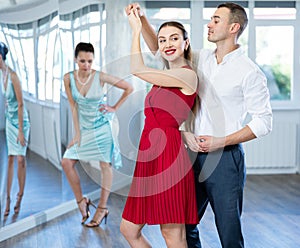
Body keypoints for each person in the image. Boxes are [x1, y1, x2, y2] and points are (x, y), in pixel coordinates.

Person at [125, 2, 273, 248]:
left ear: (234, 27)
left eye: (216, 20)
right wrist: (141, 21)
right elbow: (158, 48)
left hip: (224, 159)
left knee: (228, 231)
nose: (209, 24)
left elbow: (264, 122)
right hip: (188, 155)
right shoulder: (201, 57)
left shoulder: (249, 72)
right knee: (185, 226)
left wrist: (220, 141)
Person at [120, 8, 199, 248]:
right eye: (163, 40)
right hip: (149, 156)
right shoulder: (166, 74)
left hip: (169, 157)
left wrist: (134, 31)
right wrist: (142, 19)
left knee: (172, 235)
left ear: (186, 43)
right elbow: (155, 46)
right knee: (128, 228)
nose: (167, 44)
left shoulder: (187, 76)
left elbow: (137, 69)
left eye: (174, 38)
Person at [61, 42, 133, 227]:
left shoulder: (100, 76)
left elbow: (128, 87)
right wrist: (77, 134)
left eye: (90, 61)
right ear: (76, 59)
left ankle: (101, 208)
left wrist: (114, 107)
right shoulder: (68, 78)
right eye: (83, 61)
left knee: (105, 165)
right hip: (84, 129)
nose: (86, 65)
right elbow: (72, 106)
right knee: (67, 162)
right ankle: (81, 201)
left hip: (102, 127)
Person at [0, 42, 30, 216]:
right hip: (9, 121)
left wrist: (20, 130)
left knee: (20, 159)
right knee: (10, 158)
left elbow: (20, 104)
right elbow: (8, 101)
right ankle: (8, 198)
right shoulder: (1, 74)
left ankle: (20, 195)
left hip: (21, 122)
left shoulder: (13, 76)